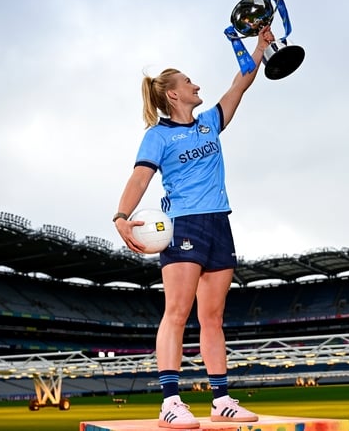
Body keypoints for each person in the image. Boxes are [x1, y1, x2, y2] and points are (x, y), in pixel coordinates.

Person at [112, 26, 275, 429]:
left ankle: (221, 400)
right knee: (177, 312)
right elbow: (140, 178)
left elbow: (242, 82)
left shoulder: (209, 123)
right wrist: (121, 216)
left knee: (214, 317)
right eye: (188, 81)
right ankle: (170, 401)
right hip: (183, 225)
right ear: (173, 94)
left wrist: (261, 46)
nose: (196, 84)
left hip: (220, 224)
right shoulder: (157, 136)